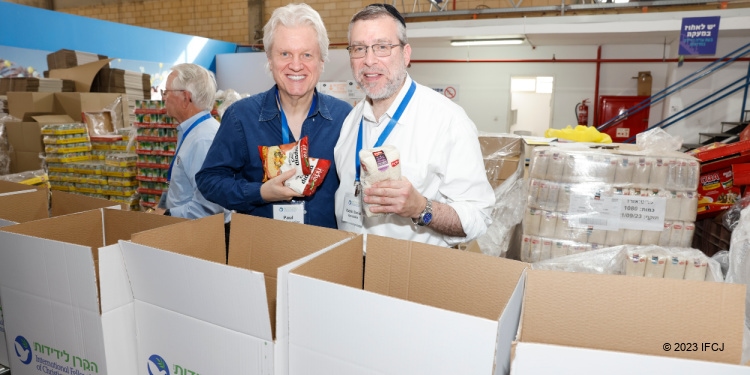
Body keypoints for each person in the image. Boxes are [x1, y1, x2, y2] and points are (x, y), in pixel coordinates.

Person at [333, 3, 495, 247]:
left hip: (408, 274)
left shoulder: (447, 121)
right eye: (359, 49)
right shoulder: (351, 120)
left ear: (406, 54)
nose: (369, 60)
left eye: (382, 47)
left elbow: (478, 217)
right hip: (350, 265)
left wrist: (421, 208)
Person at [196, 3, 352, 229]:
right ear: (270, 59)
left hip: (325, 253)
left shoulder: (344, 118)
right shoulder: (241, 117)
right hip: (261, 252)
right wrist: (259, 192)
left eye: (306, 54)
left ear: (321, 61)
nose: (296, 65)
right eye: (285, 53)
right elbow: (209, 181)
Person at [150, 63, 228, 222]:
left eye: (166, 92)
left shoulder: (203, 140)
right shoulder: (192, 131)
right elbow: (181, 187)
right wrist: (163, 207)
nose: (164, 97)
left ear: (185, 98)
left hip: (200, 234)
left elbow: (210, 207)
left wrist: (167, 214)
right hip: (189, 229)